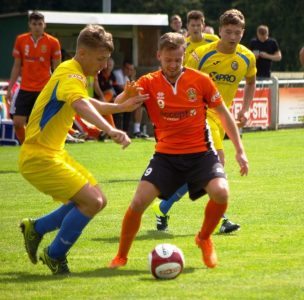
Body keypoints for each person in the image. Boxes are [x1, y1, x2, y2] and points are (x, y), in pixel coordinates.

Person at [109, 32, 249, 270]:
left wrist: (239, 150)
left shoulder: (201, 80)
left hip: (201, 154)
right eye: (168, 60)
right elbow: (116, 106)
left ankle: (204, 238)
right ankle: (121, 256)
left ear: (184, 56)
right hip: (166, 157)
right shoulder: (147, 82)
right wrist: (126, 96)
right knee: (139, 201)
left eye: (177, 59)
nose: (173, 65)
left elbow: (224, 114)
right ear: (159, 56)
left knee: (222, 193)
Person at [18, 24, 148, 275]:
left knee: (96, 201)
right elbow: (80, 106)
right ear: (82, 53)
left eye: (107, 60)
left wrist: (122, 106)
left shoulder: (74, 74)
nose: (103, 65)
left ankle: (36, 228)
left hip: (51, 153)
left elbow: (89, 103)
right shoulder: (72, 74)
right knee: (92, 201)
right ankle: (54, 255)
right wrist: (111, 130)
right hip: (38, 157)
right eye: (100, 59)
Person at [153, 9, 256, 233]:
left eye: (237, 33)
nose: (232, 37)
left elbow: (250, 82)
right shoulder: (201, 55)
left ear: (243, 32)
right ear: (219, 31)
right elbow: (181, 81)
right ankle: (222, 219)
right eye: (228, 32)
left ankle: (163, 206)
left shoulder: (247, 57)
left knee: (201, 171)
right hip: (199, 117)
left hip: (222, 118)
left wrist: (246, 109)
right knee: (215, 164)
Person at [6, 11, 62, 144]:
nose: (37, 27)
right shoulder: (21, 40)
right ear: (29, 25)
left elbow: (57, 69)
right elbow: (16, 66)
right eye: (34, 24)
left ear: (44, 25)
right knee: (18, 122)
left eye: (40, 24)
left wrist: (57, 88)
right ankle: (26, 146)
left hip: (44, 89)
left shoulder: (53, 42)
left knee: (42, 124)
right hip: (25, 88)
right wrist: (9, 88)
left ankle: (44, 149)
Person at [114, 61, 149, 138]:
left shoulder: (127, 77)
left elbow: (132, 89)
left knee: (139, 105)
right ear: (123, 68)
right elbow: (124, 90)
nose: (129, 71)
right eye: (128, 69)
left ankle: (136, 131)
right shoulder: (117, 73)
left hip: (124, 99)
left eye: (131, 69)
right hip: (114, 99)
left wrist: (132, 77)